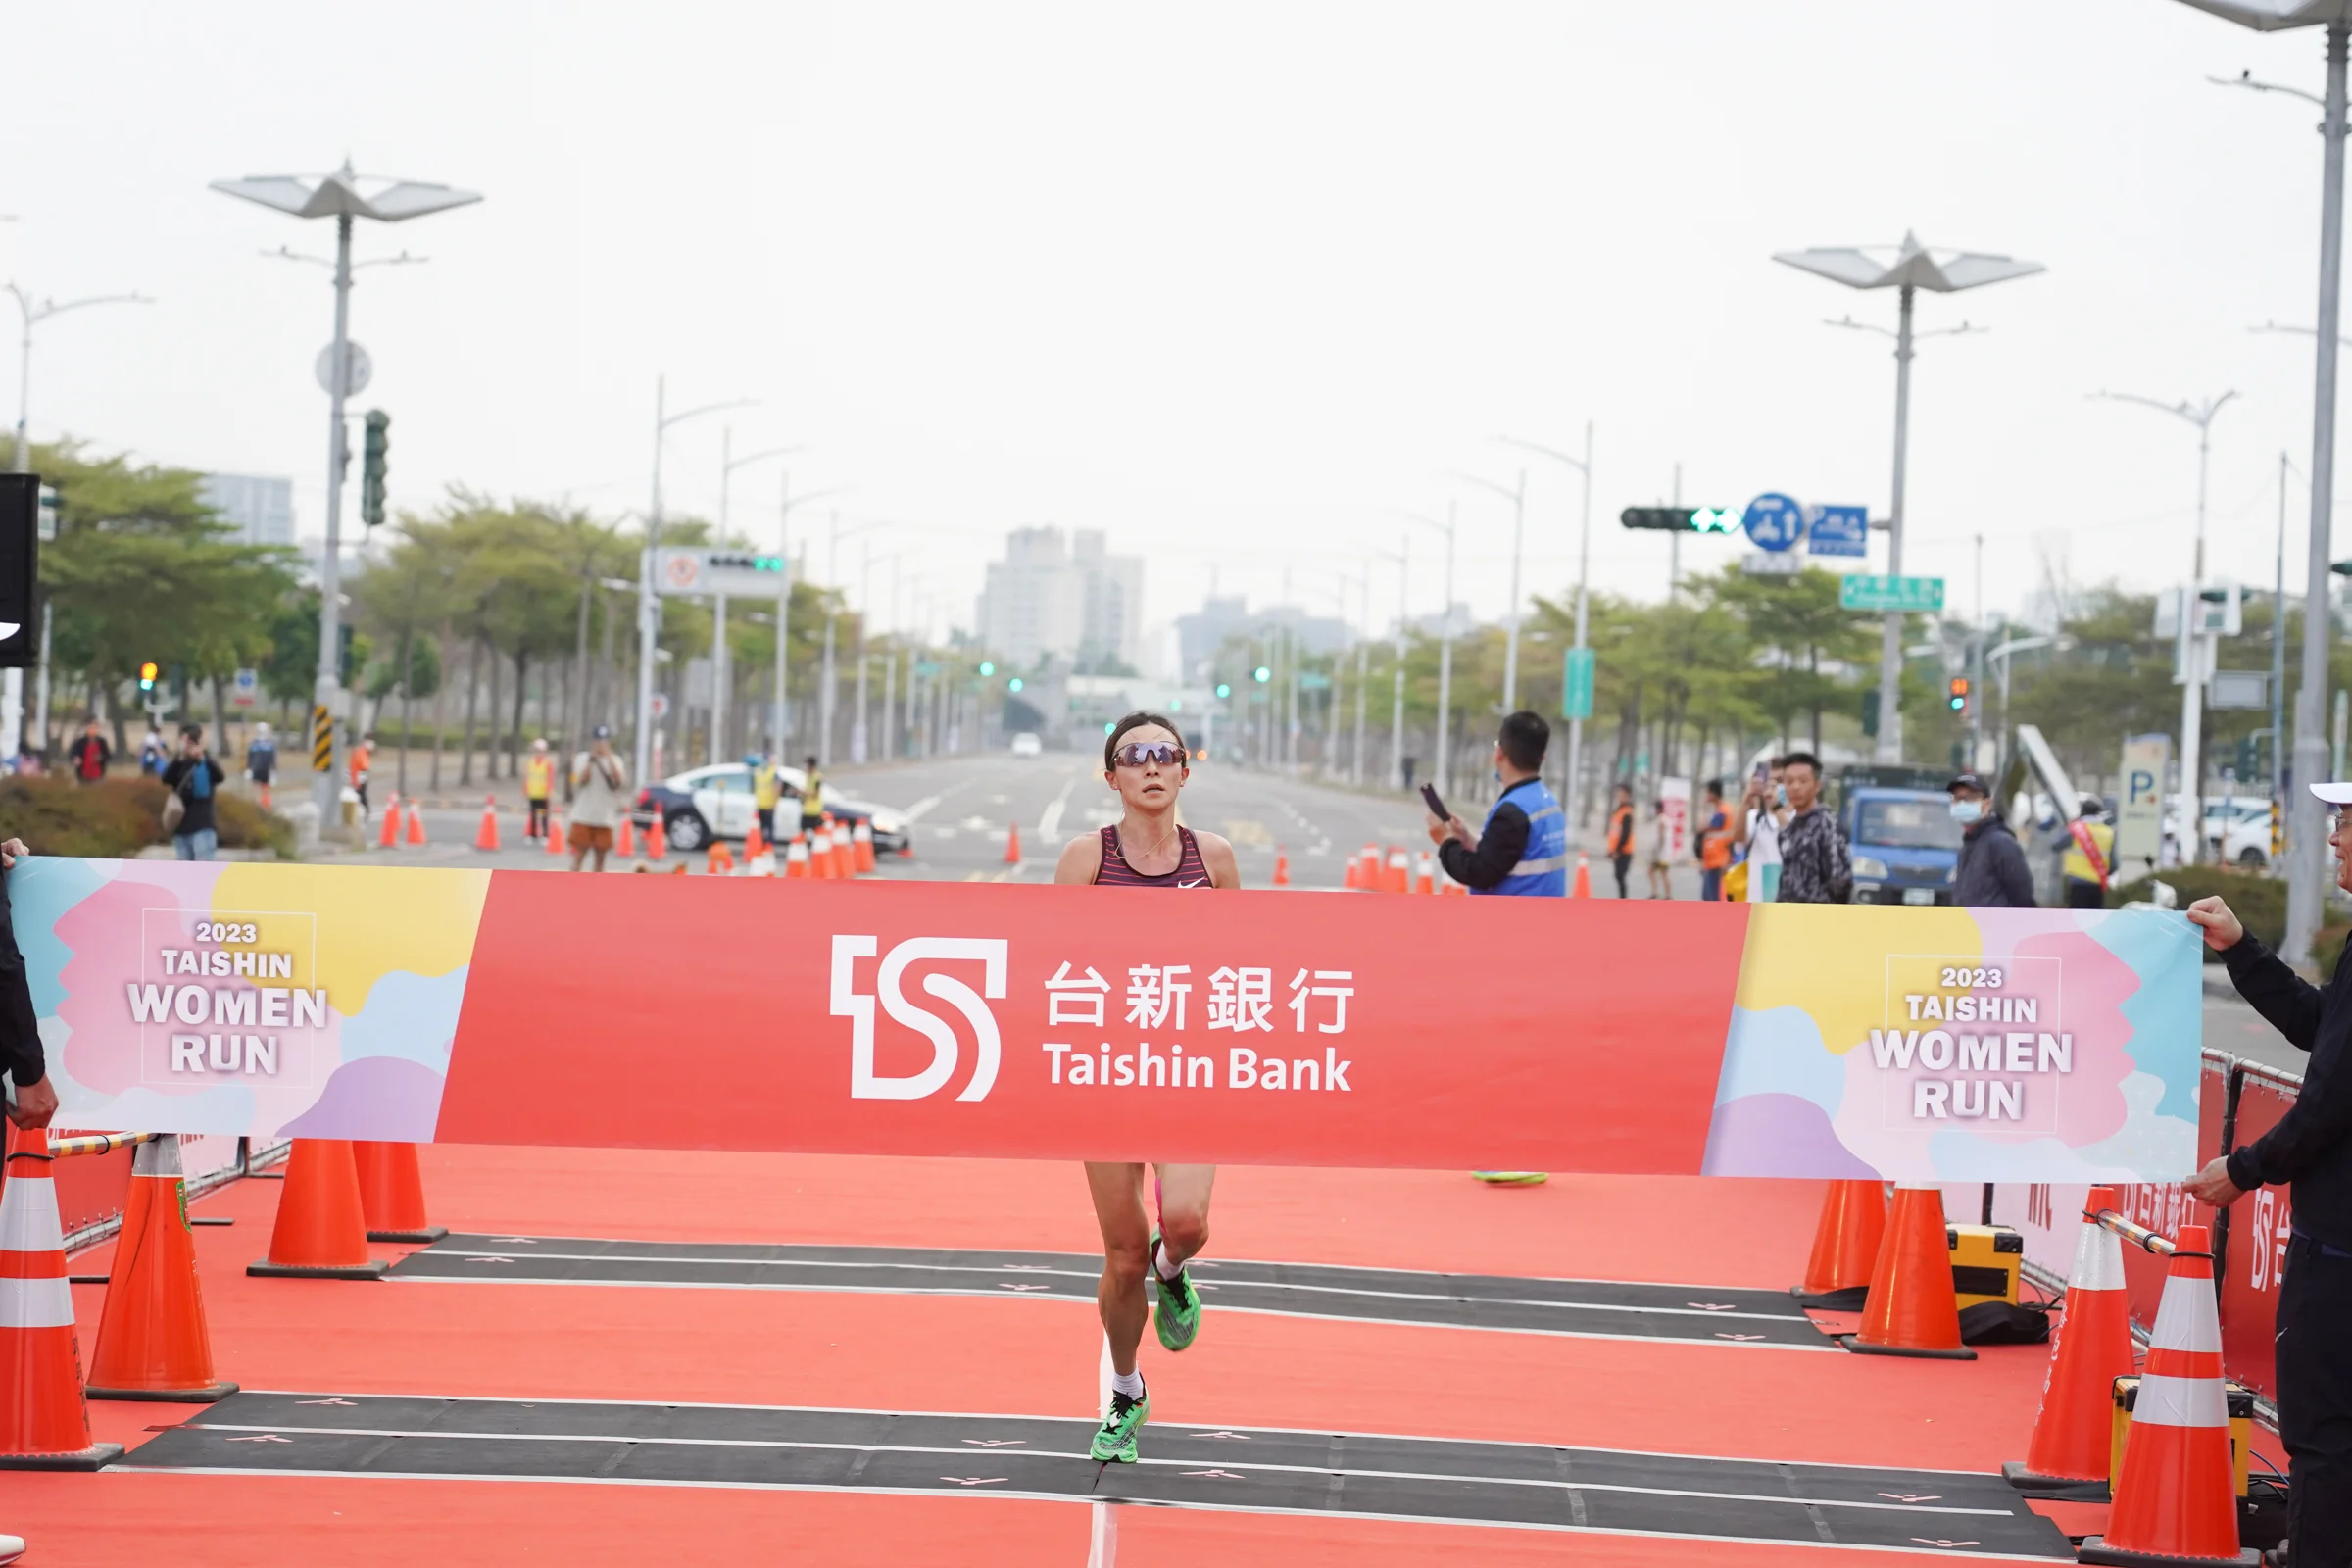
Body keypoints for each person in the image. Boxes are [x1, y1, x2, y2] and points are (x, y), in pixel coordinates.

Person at [1054, 711, 1240, 1466]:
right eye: (1136, 757)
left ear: (1185, 772)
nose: (1153, 767)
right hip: (1106, 1073)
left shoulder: (1216, 860)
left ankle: (1176, 1270)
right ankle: (1126, 1390)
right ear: (1113, 778)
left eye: (1168, 754)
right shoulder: (1084, 859)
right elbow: (1050, 968)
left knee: (1186, 1222)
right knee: (1122, 1255)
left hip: (1189, 1069)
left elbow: (1249, 968)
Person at [2183, 778, 2352, 1568]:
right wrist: (2241, 950)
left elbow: (2328, 1102)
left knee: (2322, 1430)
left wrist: (2242, 1170)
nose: (2335, 838)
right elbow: (2325, 1028)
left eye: (2348, 822)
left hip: (2342, 1245)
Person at [1424, 710, 1568, 896]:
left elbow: (1479, 873)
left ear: (1499, 753)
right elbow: (1504, 858)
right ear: (1542, 758)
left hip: (1513, 920)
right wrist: (1466, 839)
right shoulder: (1547, 801)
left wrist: (1446, 840)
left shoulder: (1513, 812)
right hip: (1544, 917)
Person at [1948, 772, 2035, 908]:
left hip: (1995, 927)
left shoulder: (2001, 843)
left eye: (1970, 798)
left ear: (1987, 805)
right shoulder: (1968, 846)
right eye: (1957, 798)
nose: (1962, 804)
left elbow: (2022, 896)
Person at [1774, 752, 1850, 905]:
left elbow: (1840, 881)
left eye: (1803, 781)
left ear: (1817, 786)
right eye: (1789, 782)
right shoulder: (1788, 831)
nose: (1796, 787)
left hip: (1818, 919)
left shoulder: (1827, 824)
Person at [567, 725, 630, 873]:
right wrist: (592, 759)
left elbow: (619, 782)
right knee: (578, 857)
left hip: (605, 816)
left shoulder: (616, 760)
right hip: (584, 814)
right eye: (597, 740)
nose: (600, 744)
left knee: (600, 860)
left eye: (603, 741)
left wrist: (608, 757)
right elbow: (581, 781)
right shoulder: (582, 758)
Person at [160, 725, 225, 861]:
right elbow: (166, 779)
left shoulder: (206, 761)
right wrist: (180, 757)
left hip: (203, 826)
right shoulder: (179, 762)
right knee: (184, 876)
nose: (189, 745)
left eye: (193, 741)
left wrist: (202, 758)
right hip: (181, 827)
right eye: (185, 741)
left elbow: (219, 777)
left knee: (203, 873)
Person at [1734, 758, 1788, 904]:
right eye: (1769, 782)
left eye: (1779, 781)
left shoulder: (1800, 819)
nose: (1773, 787)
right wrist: (1747, 799)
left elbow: (1791, 836)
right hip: (1757, 906)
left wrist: (1777, 807)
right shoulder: (1754, 818)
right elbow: (1737, 838)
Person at [2061, 795, 2115, 911]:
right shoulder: (2108, 832)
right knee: (2095, 921)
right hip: (2098, 883)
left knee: (2076, 920)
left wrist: (2070, 825)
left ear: (2082, 812)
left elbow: (2056, 844)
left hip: (2078, 883)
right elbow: (2114, 864)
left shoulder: (2076, 829)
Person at [1695, 778, 1732, 902]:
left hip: (1717, 861)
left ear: (1713, 793)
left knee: (1712, 898)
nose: (1706, 796)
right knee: (1709, 897)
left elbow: (1704, 828)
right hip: (1712, 860)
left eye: (1708, 792)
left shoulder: (1722, 811)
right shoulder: (1719, 809)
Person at [1605, 783, 1637, 899]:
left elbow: (1625, 834)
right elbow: (1615, 831)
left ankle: (1623, 900)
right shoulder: (1619, 810)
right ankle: (1622, 899)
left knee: (1620, 876)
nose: (1619, 795)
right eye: (1619, 793)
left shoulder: (1627, 812)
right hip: (1617, 849)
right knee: (1618, 877)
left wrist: (1617, 850)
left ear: (1628, 795)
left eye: (1622, 793)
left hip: (1624, 851)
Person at [522, 738, 556, 840]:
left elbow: (550, 779)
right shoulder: (531, 763)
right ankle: (533, 834)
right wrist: (525, 790)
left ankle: (545, 834)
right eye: (536, 751)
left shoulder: (547, 764)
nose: (538, 753)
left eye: (540, 751)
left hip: (543, 794)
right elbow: (527, 777)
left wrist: (548, 791)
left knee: (543, 815)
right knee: (533, 815)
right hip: (533, 793)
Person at [753, 753, 783, 845]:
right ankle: (762, 846)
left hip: (770, 804)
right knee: (761, 828)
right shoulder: (758, 771)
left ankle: (769, 847)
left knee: (769, 828)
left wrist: (774, 803)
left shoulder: (773, 772)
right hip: (761, 803)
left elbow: (778, 787)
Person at [245, 721, 276, 808]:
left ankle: (265, 806)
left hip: (266, 770)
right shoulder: (253, 744)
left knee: (266, 790)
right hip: (255, 770)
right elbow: (250, 758)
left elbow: (273, 759)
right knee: (256, 789)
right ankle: (257, 806)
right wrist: (249, 769)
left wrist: (273, 771)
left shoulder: (270, 745)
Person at [67, 719, 109, 785]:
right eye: (90, 728)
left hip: (97, 775)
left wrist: (101, 757)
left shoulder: (101, 742)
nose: (92, 730)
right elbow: (72, 754)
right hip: (83, 774)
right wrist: (76, 759)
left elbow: (107, 756)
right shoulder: (80, 742)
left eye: (94, 728)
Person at [1646, 797, 1673, 898]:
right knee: (1661, 873)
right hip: (1665, 852)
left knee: (1660, 872)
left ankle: (1659, 893)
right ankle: (1664, 893)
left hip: (1661, 853)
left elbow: (1661, 837)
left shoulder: (1661, 820)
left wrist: (1656, 851)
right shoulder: (1666, 819)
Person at [348, 731, 375, 821]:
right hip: (359, 775)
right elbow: (357, 765)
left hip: (361, 775)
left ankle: (364, 811)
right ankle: (364, 811)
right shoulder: (360, 750)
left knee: (360, 794)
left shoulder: (363, 750)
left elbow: (363, 764)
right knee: (359, 794)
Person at [800, 755, 827, 842]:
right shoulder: (808, 776)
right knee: (804, 833)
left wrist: (803, 792)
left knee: (817, 836)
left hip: (815, 811)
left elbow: (816, 793)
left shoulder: (817, 777)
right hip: (807, 810)